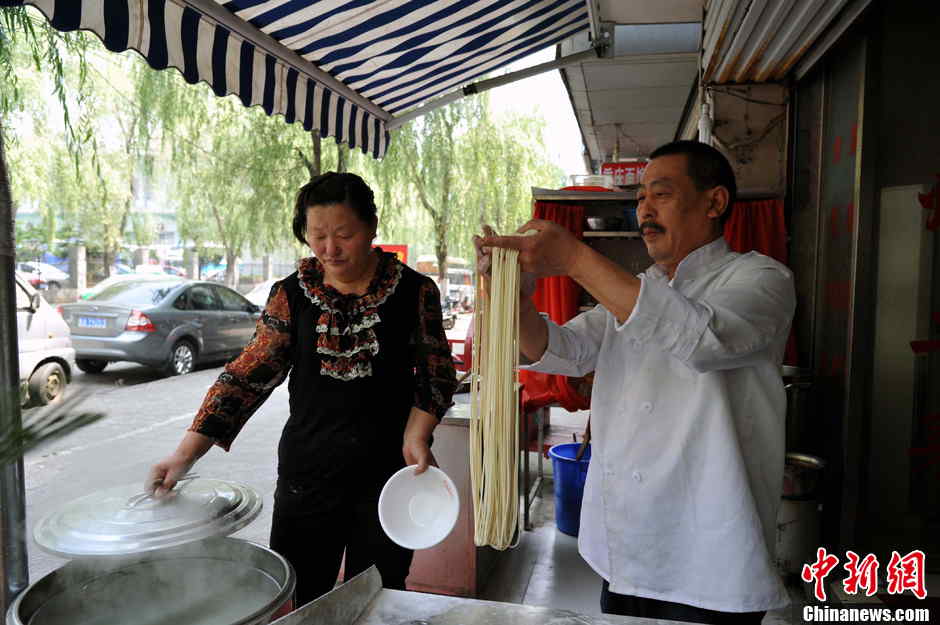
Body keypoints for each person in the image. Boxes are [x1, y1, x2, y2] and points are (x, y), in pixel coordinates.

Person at [475, 141, 795, 624]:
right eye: (641, 197)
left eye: (660, 194)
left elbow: (701, 340)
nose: (644, 208)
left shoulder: (761, 279)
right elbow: (558, 349)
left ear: (714, 202)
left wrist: (575, 259)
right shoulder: (643, 288)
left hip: (711, 555)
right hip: (627, 545)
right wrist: (516, 295)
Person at [148, 172, 458, 606]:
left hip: (389, 477)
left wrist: (416, 432)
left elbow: (436, 373)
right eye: (317, 236)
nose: (329, 248)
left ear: (371, 227)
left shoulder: (414, 291)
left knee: (380, 594)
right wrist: (184, 454)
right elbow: (245, 377)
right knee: (304, 594)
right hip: (308, 477)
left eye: (344, 234)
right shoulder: (292, 296)